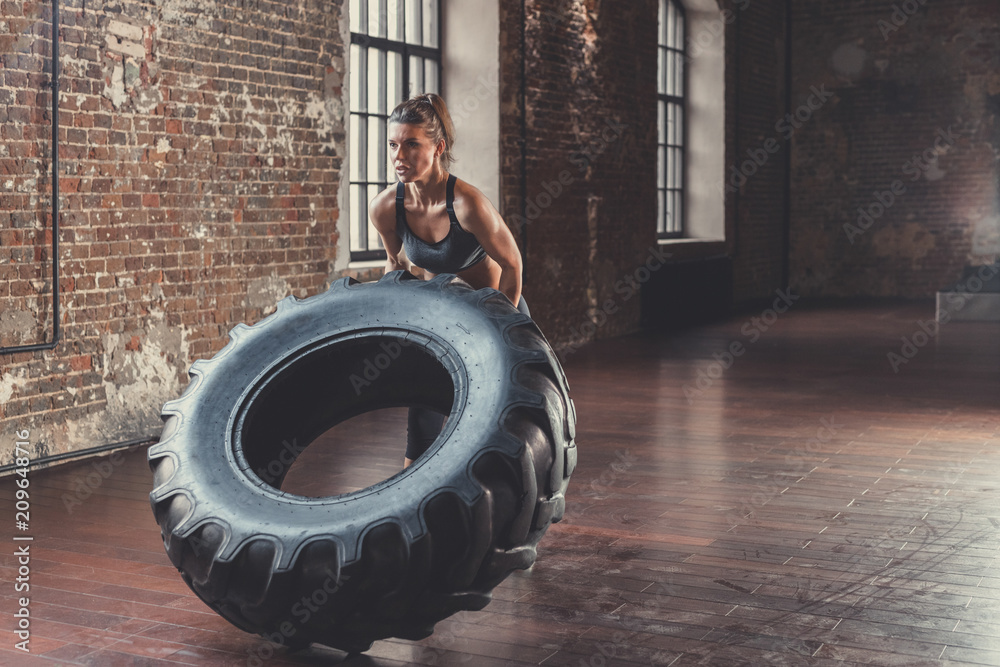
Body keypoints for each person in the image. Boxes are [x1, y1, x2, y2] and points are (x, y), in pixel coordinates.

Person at [368, 93, 528, 468]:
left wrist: (502, 326)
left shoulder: (467, 204)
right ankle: (408, 505)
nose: (398, 156)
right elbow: (395, 264)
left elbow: (513, 265)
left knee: (508, 407)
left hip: (494, 310)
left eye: (411, 144)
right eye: (393, 145)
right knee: (423, 408)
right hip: (441, 317)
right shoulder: (386, 207)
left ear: (438, 147)